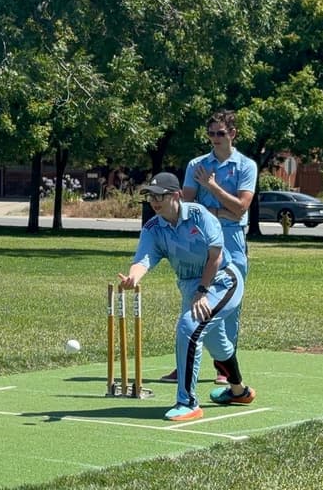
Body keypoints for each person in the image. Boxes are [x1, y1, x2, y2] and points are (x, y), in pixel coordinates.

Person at [117, 172, 255, 421]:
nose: (155, 201)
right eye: (151, 197)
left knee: (189, 327)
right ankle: (239, 391)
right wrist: (133, 278)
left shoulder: (200, 215)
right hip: (191, 288)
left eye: (160, 196)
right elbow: (143, 259)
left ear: (177, 195)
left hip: (222, 281)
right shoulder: (153, 228)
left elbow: (216, 257)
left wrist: (202, 292)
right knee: (217, 342)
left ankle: (188, 402)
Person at [159, 110, 258, 385]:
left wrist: (212, 187)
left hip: (233, 241)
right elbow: (188, 206)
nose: (215, 138)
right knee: (192, 298)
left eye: (220, 133)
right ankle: (184, 364)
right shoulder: (197, 164)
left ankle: (224, 369)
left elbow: (241, 208)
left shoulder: (246, 165)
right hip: (201, 240)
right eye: (211, 133)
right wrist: (218, 211)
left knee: (229, 306)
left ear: (232, 134)